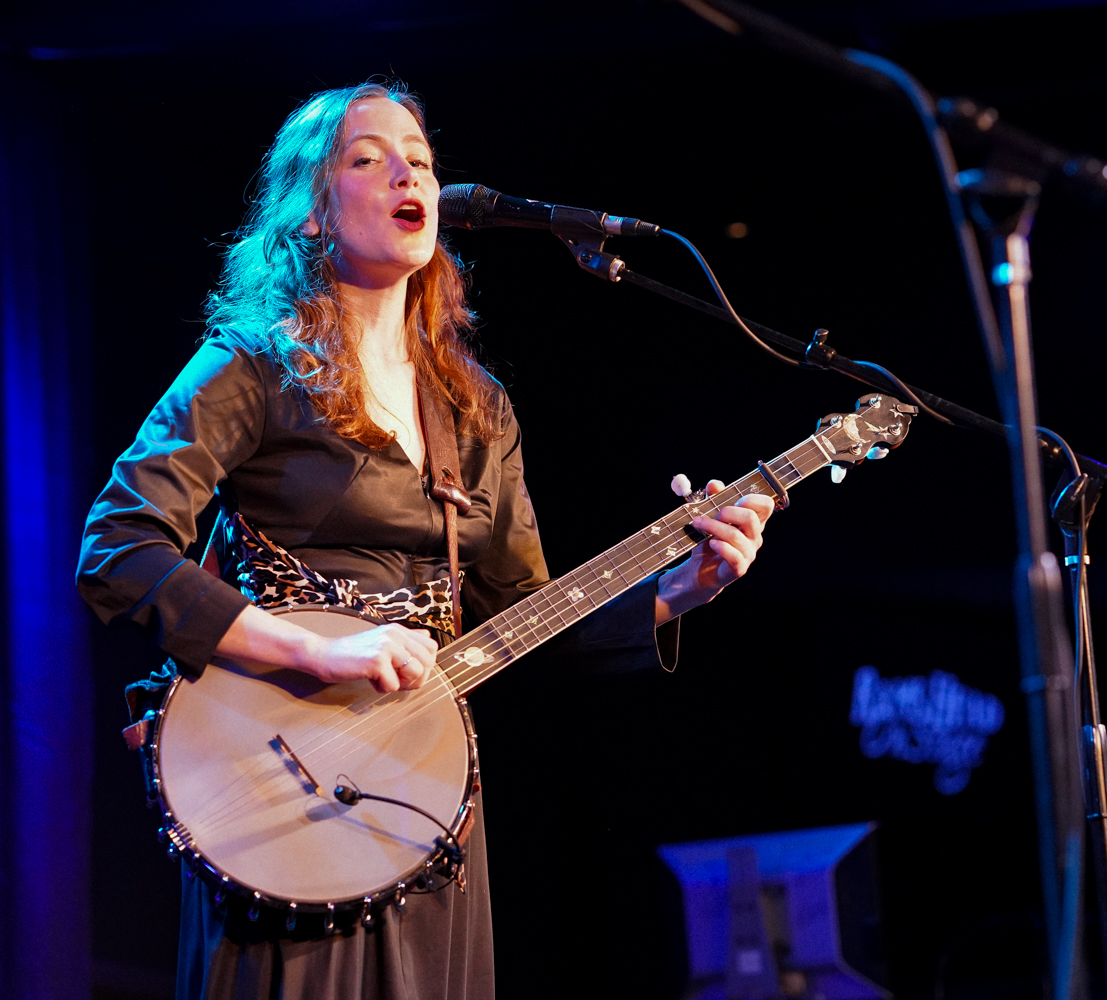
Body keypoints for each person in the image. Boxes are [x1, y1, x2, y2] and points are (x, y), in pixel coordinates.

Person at [76, 81, 775, 1000]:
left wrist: (682, 589)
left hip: (420, 785)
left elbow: (527, 620)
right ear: (311, 212)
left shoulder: (476, 409)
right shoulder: (253, 362)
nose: (407, 173)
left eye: (421, 160)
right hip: (280, 778)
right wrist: (319, 651)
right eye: (368, 158)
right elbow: (120, 547)